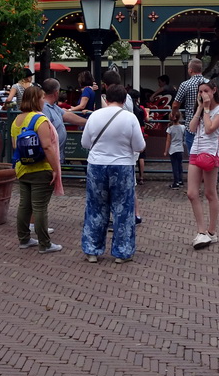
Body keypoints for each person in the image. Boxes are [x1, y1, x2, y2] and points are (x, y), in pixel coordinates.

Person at [80, 83, 146, 264]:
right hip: (122, 165)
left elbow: (85, 143)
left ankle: (92, 250)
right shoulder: (129, 117)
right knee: (123, 209)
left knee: (95, 208)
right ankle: (122, 252)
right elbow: (140, 146)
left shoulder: (94, 116)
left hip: (97, 165)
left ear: (105, 98)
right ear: (125, 100)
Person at [11, 85, 63, 254]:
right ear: (35, 99)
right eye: (41, 98)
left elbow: (15, 146)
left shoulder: (17, 120)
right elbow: (47, 147)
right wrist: (55, 169)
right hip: (41, 168)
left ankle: (24, 239)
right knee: (40, 207)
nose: (43, 100)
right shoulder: (40, 120)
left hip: (23, 168)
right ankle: (45, 244)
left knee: (24, 205)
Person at [187, 82, 219, 249]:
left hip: (210, 152)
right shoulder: (201, 108)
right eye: (201, 91)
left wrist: (206, 109)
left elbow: (210, 128)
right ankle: (201, 231)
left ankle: (212, 231)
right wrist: (199, 109)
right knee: (191, 193)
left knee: (210, 193)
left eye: (206, 91)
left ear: (214, 90)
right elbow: (191, 128)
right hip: (195, 151)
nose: (203, 94)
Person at [40, 78, 88, 163]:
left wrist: (88, 122)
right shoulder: (44, 108)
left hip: (56, 156)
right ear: (56, 93)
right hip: (49, 159)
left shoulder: (53, 106)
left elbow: (67, 116)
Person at [172, 58, 208, 151]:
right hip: (207, 124)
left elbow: (176, 104)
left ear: (190, 70)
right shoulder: (209, 83)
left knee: (193, 155)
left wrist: (173, 114)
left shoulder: (185, 84)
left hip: (191, 124)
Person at [165, 109, 185, 189]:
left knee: (174, 166)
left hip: (173, 149)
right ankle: (180, 180)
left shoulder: (170, 129)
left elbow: (168, 141)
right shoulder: (183, 127)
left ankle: (175, 182)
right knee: (180, 165)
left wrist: (166, 151)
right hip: (180, 148)